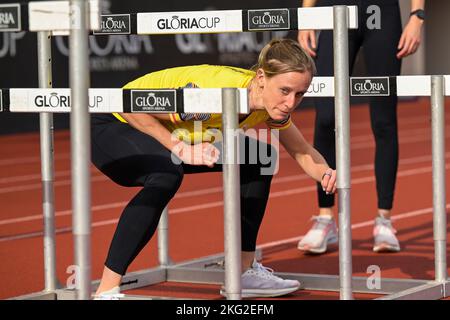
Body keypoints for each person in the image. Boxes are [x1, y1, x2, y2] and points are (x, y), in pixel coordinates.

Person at [90, 38, 337, 299]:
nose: (290, 103)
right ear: (261, 77)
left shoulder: (268, 103)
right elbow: (131, 106)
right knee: (166, 174)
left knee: (259, 157)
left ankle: (243, 272)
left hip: (179, 135)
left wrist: (326, 173)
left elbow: (301, 151)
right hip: (115, 124)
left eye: (300, 94)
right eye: (285, 91)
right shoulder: (212, 91)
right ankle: (106, 290)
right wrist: (181, 149)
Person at [297, 0, 425, 254]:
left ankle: (384, 220)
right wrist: (306, 14)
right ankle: (325, 218)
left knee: (383, 121)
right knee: (326, 117)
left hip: (381, 13)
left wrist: (417, 16)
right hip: (336, 10)